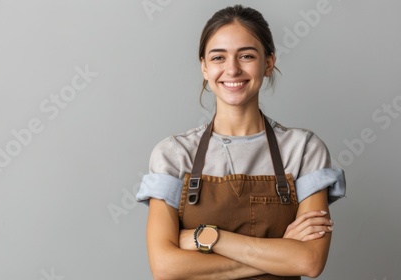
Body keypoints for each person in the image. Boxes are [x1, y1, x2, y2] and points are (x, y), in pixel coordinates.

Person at [136, 4, 345, 279]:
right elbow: (165, 267)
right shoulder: (173, 154)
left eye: (246, 55)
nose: (232, 70)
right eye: (218, 58)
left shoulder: (304, 150)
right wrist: (283, 252)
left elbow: (309, 262)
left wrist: (208, 237)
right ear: (204, 67)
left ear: (268, 62)